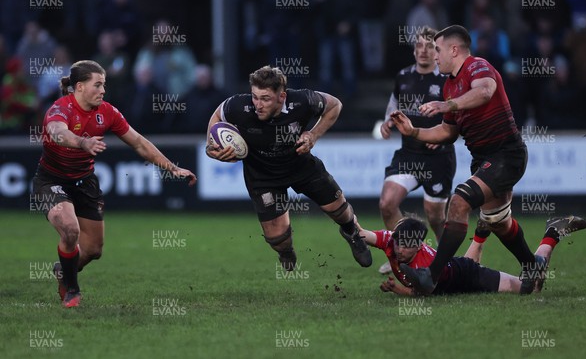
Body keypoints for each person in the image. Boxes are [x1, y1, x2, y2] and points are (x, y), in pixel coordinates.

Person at [31, 60, 197, 308]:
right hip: (51, 180)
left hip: (85, 182)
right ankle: (72, 290)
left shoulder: (107, 112)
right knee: (70, 229)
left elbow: (139, 143)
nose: (103, 90)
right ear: (79, 87)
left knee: (93, 250)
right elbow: (56, 132)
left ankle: (64, 271)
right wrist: (82, 143)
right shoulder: (60, 109)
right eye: (97, 85)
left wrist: (171, 168)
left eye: (104, 85)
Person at [389, 25, 538, 295]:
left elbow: (485, 91)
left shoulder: (477, 66)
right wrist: (414, 131)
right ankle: (532, 265)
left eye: (437, 49)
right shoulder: (449, 85)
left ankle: (431, 276)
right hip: (483, 159)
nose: (434, 56)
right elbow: (447, 131)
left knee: (458, 202)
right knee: (498, 222)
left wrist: (449, 105)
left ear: (454, 50)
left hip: (506, 154)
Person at [205, 65, 372, 270]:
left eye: (265, 98)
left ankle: (351, 232)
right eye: (255, 97)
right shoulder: (237, 106)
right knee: (277, 238)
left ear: (282, 96)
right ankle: (286, 250)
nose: (258, 104)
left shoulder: (302, 101)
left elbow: (335, 105)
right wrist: (210, 146)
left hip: (300, 165)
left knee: (338, 210)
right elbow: (216, 116)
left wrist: (313, 134)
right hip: (262, 175)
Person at [377, 26, 456, 274]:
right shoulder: (403, 76)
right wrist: (388, 121)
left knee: (435, 217)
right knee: (387, 203)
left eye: (429, 46)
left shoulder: (447, 80)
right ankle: (405, 254)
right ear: (413, 50)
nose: (423, 51)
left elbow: (463, 117)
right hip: (409, 154)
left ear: (437, 52)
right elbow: (394, 105)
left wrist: (445, 138)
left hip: (438, 158)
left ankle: (447, 262)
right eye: (419, 45)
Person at [358, 215, 586, 296]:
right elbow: (362, 234)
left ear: (418, 245)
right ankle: (480, 233)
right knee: (464, 261)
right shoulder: (391, 239)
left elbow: (421, 293)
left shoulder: (424, 264)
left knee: (531, 287)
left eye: (405, 246)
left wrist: (396, 289)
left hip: (469, 276)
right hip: (456, 266)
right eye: (397, 242)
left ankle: (553, 232)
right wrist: (347, 222)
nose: (398, 249)